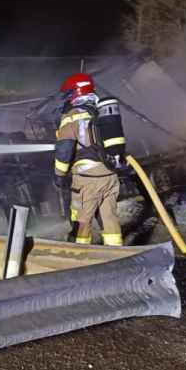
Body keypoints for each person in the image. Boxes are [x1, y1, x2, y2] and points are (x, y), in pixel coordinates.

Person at [52, 73, 124, 246]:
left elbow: (64, 150)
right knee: (109, 218)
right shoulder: (101, 112)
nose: (67, 99)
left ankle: (81, 252)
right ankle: (116, 252)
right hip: (110, 174)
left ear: (75, 93)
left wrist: (59, 175)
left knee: (82, 220)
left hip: (87, 179)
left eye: (69, 94)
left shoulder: (71, 116)